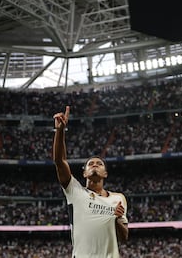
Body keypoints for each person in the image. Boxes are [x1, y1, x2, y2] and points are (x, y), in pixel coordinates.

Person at [53, 105, 128, 258]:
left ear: (105, 173)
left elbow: (123, 237)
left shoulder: (118, 198)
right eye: (90, 164)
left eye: (99, 164)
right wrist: (60, 131)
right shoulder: (75, 191)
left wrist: (118, 220)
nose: (95, 164)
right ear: (84, 173)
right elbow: (59, 161)